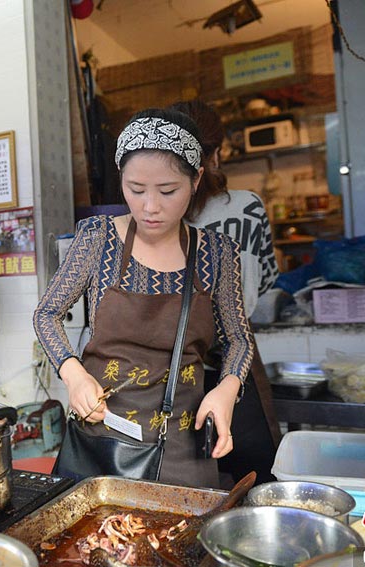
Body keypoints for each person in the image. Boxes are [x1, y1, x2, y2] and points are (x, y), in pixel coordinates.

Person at [34, 108, 254, 488]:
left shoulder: (217, 253)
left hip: (184, 443)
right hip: (103, 439)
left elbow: (239, 338)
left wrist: (227, 390)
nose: (150, 206)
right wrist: (73, 375)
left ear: (196, 179)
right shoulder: (97, 238)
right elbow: (47, 313)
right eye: (136, 190)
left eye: (167, 191)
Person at [170, 99, 281, 485]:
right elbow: (266, 279)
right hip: (240, 366)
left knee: (184, 493)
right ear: (216, 153)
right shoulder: (248, 206)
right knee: (253, 481)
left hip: (174, 369)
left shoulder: (161, 216)